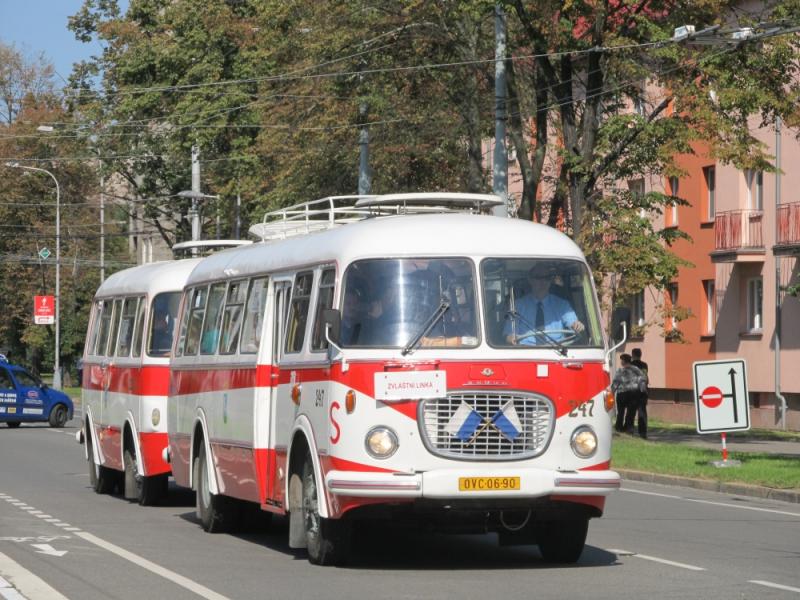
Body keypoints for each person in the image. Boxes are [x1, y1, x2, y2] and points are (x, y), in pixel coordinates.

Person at [505, 264, 585, 345]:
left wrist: (577, 325)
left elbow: (573, 323)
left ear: (550, 281)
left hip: (557, 351)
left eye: (547, 278)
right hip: (526, 351)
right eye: (538, 278)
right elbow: (509, 334)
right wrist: (511, 338)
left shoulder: (562, 304)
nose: (543, 282)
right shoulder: (518, 305)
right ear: (530, 280)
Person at [612, 353, 647, 434]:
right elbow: (642, 380)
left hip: (622, 394)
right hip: (633, 394)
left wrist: (612, 392)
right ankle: (628, 429)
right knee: (631, 413)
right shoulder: (636, 369)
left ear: (623, 361)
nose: (621, 362)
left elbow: (616, 382)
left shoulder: (620, 370)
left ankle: (619, 427)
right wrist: (642, 390)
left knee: (620, 412)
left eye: (621, 360)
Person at [630, 348, 649, 438]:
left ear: (633, 355)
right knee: (642, 411)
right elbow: (645, 376)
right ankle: (643, 432)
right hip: (643, 390)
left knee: (631, 411)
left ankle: (630, 430)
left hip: (633, 390)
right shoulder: (644, 365)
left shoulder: (630, 365)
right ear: (640, 355)